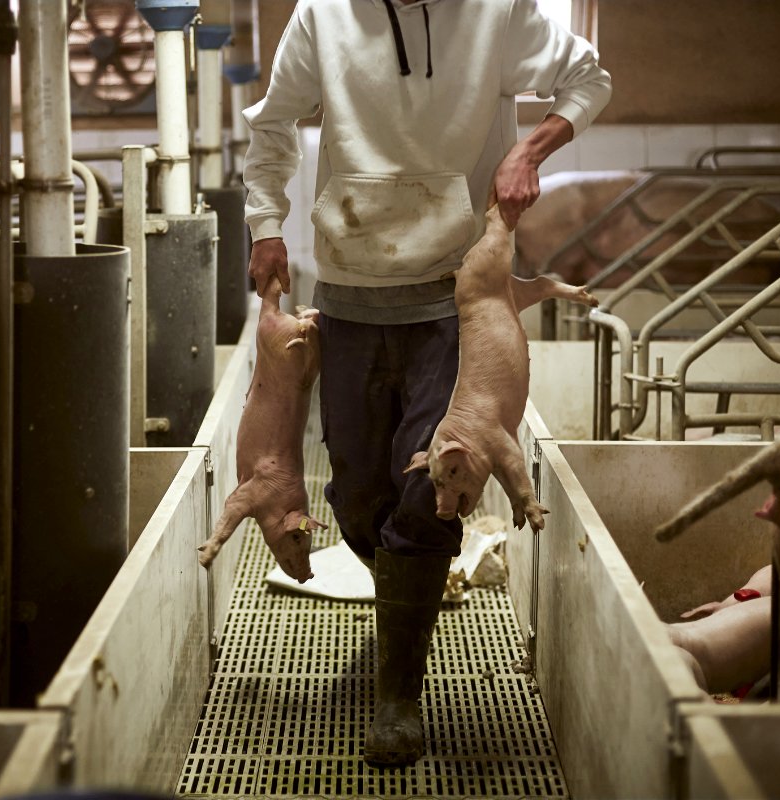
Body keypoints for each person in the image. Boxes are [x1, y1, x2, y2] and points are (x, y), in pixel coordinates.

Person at [241, 0, 612, 767]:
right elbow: (273, 120)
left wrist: (530, 150)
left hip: (456, 297)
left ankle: (399, 695)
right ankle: (404, 612)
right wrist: (266, 222)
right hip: (350, 287)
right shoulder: (322, 14)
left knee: (424, 489)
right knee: (356, 500)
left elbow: (588, 78)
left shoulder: (499, 11)